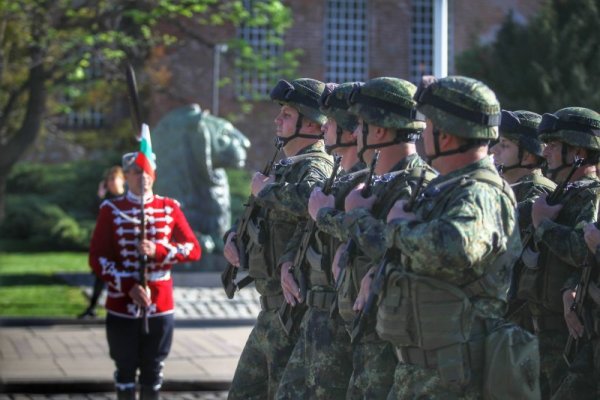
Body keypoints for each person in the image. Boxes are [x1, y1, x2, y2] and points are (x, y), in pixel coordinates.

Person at [382, 76, 536, 398]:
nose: (423, 133)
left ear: (447, 135)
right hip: (431, 368)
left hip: (458, 372)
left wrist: (398, 227)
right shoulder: (451, 187)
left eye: (429, 124)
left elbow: (455, 248)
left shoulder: (480, 192)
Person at [309, 77, 434, 399]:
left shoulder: (416, 184)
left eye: (362, 123)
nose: (355, 131)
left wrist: (342, 218)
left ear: (379, 131)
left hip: (389, 335)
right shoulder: (373, 180)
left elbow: (404, 249)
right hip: (359, 325)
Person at [223, 78, 333, 400]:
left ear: (312, 125)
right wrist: (232, 238)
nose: (277, 120)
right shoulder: (286, 167)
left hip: (292, 313)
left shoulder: (315, 168)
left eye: (286, 114)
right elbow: (260, 220)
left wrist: (267, 190)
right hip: (270, 310)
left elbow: (311, 206)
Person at [275, 81, 363, 399]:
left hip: (341, 322)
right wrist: (288, 260)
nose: (326, 127)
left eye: (333, 122)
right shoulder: (338, 175)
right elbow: (307, 226)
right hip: (315, 315)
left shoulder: (368, 181)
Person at [88, 152, 201, 400]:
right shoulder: (111, 209)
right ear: (126, 176)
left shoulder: (169, 207)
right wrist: (128, 285)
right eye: (137, 172)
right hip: (122, 304)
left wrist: (159, 250)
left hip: (159, 304)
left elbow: (193, 249)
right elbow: (97, 258)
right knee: (125, 369)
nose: (143, 177)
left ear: (154, 175)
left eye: (147, 172)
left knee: (153, 368)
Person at [523, 107, 600, 399]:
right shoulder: (562, 194)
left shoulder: (591, 194)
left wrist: (543, 224)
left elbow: (585, 251)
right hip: (539, 326)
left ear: (578, 152)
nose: (546, 152)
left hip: (566, 332)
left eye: (554, 145)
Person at [490, 110, 556, 330]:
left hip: (526, 320)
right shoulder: (505, 189)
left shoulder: (540, 192)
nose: (494, 151)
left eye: (505, 145)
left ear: (528, 156)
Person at [79, 166, 126, 319]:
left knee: (123, 276)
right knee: (100, 275)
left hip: (121, 244)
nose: (112, 183)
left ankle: (122, 308)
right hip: (107, 244)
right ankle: (92, 307)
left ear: (123, 180)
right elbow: (97, 216)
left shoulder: (127, 198)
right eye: (109, 180)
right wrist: (100, 195)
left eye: (114, 179)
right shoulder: (105, 200)